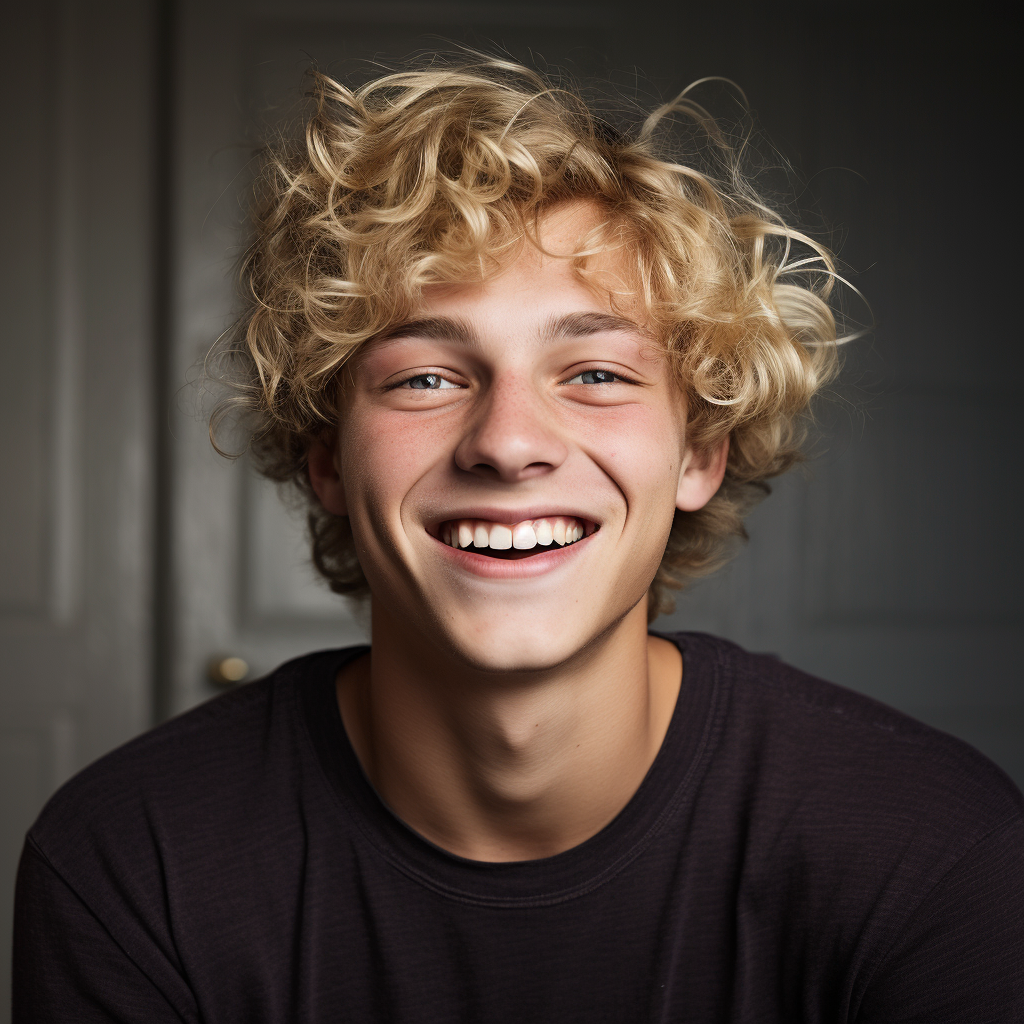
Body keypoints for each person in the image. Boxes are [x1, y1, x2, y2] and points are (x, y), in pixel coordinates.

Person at [13, 57, 1023, 1023]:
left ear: (698, 453)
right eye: (424, 377)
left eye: (595, 373)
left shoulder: (929, 846)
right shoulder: (129, 856)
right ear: (326, 458)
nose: (506, 442)